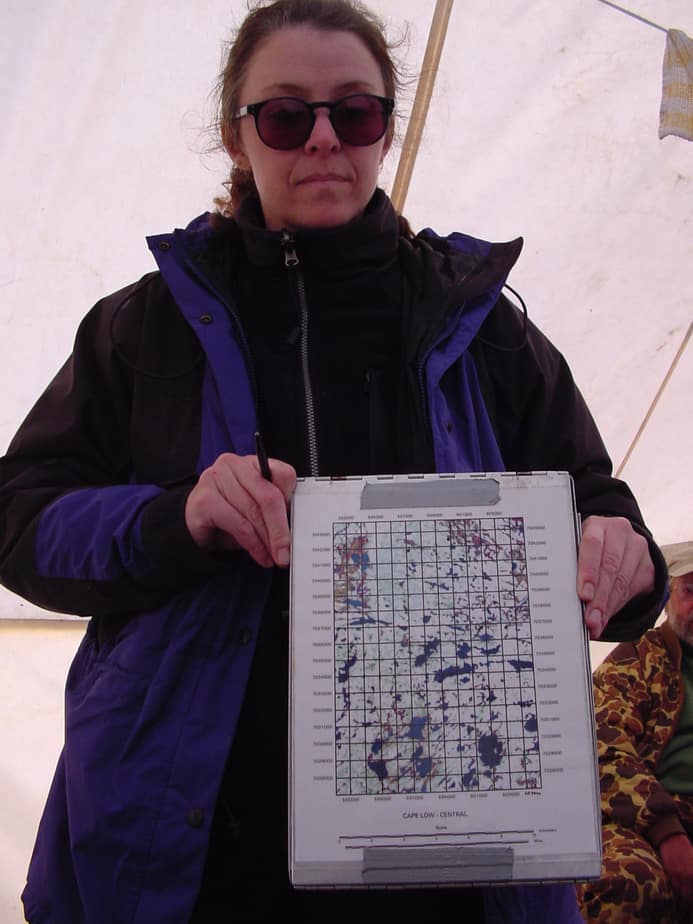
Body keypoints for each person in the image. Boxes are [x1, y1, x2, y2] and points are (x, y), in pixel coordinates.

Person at [0, 1, 667, 921]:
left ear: (385, 130)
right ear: (236, 137)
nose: (322, 138)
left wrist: (620, 554)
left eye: (354, 112)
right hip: (197, 846)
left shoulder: (486, 330)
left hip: (450, 853)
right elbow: (21, 520)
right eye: (285, 115)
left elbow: (603, 512)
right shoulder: (142, 328)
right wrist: (175, 518)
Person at [576, 541, 693, 923]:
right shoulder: (638, 657)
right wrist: (668, 833)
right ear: (668, 597)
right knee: (628, 882)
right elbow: (602, 743)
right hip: (643, 819)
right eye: (690, 591)